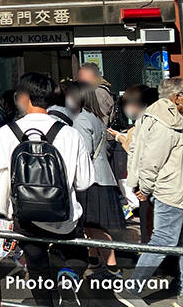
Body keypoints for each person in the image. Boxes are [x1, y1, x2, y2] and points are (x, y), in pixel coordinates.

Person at [0, 72, 94, 307]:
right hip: (65, 217)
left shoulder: (7, 133)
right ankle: (69, 277)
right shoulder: (70, 133)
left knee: (37, 268)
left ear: (24, 97)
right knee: (78, 257)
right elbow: (84, 182)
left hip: (26, 217)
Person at [117, 78, 183, 307]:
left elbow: (137, 150)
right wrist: (144, 187)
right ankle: (132, 289)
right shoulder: (166, 121)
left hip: (172, 188)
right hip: (171, 190)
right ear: (176, 97)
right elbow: (151, 160)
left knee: (175, 241)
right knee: (163, 240)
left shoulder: (154, 117)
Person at [65, 81, 125, 278]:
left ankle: (112, 266)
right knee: (91, 226)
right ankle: (95, 262)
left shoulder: (81, 119)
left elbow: (83, 152)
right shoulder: (96, 117)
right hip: (102, 177)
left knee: (94, 226)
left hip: (91, 180)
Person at [109, 85, 158, 243]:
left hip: (151, 187)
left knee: (154, 230)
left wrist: (144, 188)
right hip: (156, 187)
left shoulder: (145, 125)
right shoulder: (150, 122)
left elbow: (147, 159)